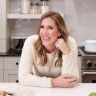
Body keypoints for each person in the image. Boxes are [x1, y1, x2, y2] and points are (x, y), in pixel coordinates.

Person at [18, 11, 80, 88]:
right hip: (38, 89)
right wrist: (53, 82)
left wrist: (66, 52)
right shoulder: (31, 41)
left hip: (62, 91)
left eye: (50, 28)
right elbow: (23, 78)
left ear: (59, 32)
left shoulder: (70, 42)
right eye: (42, 27)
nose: (44, 32)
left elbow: (71, 80)